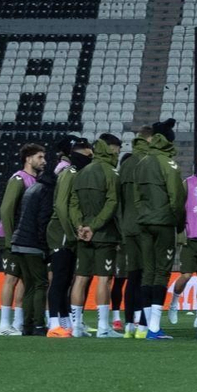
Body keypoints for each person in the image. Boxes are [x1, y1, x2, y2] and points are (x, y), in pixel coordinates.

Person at [131, 118, 185, 340]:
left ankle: (144, 328)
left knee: (148, 272)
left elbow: (136, 196)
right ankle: (153, 328)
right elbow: (176, 197)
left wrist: (143, 214)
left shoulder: (141, 162)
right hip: (163, 223)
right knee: (161, 272)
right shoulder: (168, 164)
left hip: (143, 222)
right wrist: (178, 223)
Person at [69, 133, 122, 339]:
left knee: (80, 278)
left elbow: (73, 203)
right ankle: (103, 326)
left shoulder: (80, 173)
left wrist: (80, 226)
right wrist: (94, 226)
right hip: (104, 234)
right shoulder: (111, 173)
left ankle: (76, 326)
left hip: (83, 235)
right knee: (103, 280)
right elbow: (112, 203)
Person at [0, 142, 45, 335]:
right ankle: (4, 324)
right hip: (11, 238)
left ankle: (18, 322)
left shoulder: (34, 180)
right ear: (28, 158)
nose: (44, 161)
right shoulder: (18, 178)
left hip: (22, 239)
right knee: (11, 278)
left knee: (26, 279)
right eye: (40, 157)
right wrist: (10, 239)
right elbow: (6, 209)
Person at [48, 136, 92, 337]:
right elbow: (60, 206)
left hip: (67, 233)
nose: (89, 154)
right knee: (59, 279)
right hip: (61, 233)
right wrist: (70, 232)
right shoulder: (70, 173)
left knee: (66, 280)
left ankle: (65, 323)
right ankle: (53, 324)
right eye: (86, 151)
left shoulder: (76, 172)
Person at [9, 156, 58, 336]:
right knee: (40, 284)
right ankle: (38, 324)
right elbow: (43, 220)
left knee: (29, 284)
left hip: (18, 242)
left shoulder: (32, 188)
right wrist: (45, 248)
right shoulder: (46, 191)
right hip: (32, 244)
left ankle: (27, 326)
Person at [168, 148, 197, 334]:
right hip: (190, 238)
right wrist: (180, 232)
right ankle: (174, 301)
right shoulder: (188, 183)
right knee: (185, 275)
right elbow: (178, 208)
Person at [117, 136, 148, 337]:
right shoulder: (148, 163)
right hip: (145, 226)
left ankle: (129, 324)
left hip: (127, 227)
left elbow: (118, 198)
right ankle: (144, 325)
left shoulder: (125, 164)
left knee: (133, 275)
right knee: (148, 275)